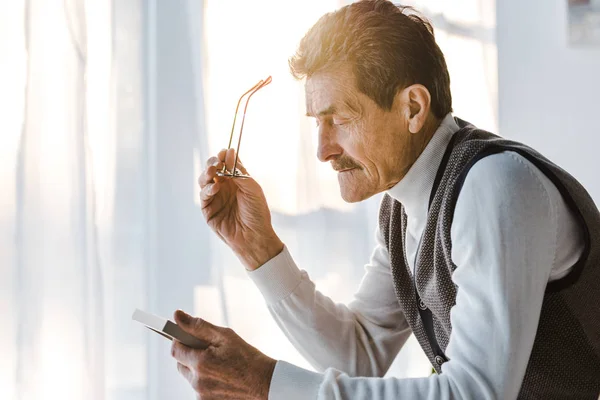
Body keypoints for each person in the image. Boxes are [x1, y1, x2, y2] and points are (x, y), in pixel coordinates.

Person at [170, 1, 600, 399]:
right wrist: (256, 247)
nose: (323, 150)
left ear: (413, 108)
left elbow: (475, 393)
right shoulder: (402, 207)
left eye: (339, 119)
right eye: (317, 124)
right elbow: (360, 353)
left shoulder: (494, 185)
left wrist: (268, 384)